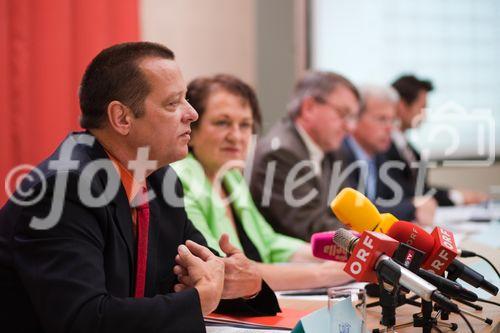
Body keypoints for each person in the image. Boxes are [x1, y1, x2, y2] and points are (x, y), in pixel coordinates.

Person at [0, 42, 278, 333]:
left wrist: (247, 285)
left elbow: (201, 273)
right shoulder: (64, 187)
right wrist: (197, 301)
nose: (192, 114)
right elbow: (85, 319)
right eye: (173, 103)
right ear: (122, 118)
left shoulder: (160, 180)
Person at [172, 74, 353, 291]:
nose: (236, 136)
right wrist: (328, 273)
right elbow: (225, 271)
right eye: (222, 123)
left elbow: (269, 242)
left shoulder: (231, 176)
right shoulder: (178, 179)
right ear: (193, 126)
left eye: (245, 125)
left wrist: (342, 251)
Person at [250, 71, 361, 241]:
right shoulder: (280, 154)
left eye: (352, 117)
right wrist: (369, 236)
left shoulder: (330, 150)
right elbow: (310, 227)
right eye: (343, 114)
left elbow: (348, 211)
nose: (350, 127)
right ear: (309, 108)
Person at [387, 74, 489, 209]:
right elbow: (407, 193)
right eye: (422, 107)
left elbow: (422, 189)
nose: (425, 115)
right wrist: (457, 197)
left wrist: (455, 194)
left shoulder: (409, 149)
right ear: (402, 106)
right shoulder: (383, 147)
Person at [339, 85, 436, 224]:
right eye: (382, 119)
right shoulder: (338, 154)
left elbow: (393, 199)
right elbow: (355, 212)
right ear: (356, 118)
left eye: (393, 120)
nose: (390, 128)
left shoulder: (379, 156)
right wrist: (411, 208)